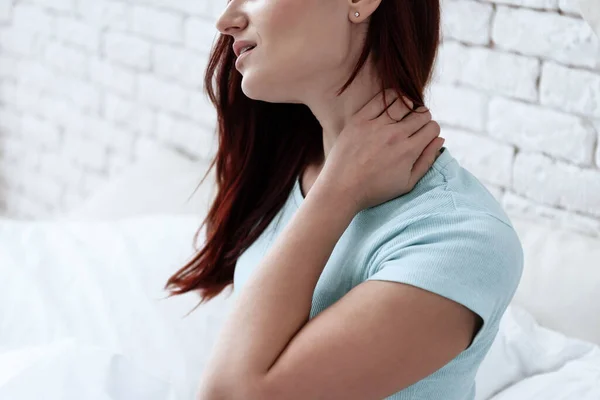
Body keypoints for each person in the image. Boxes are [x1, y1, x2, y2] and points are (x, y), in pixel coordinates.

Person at [165, 1, 524, 399]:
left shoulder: (461, 239)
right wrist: (340, 181)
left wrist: (339, 191)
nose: (226, 20)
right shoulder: (284, 175)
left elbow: (229, 395)